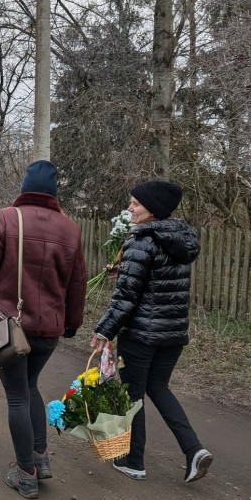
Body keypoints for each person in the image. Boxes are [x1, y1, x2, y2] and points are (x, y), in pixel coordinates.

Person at [0, 160, 87, 500]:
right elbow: (77, 284)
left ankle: (25, 474)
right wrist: (73, 323)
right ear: (54, 193)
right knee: (31, 385)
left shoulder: (8, 218)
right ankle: (40, 457)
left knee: (18, 397)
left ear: (24, 187)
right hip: (49, 329)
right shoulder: (71, 229)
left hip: (11, 326)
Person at [90, 180, 213, 484]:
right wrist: (126, 272)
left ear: (152, 209)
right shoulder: (179, 240)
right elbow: (156, 280)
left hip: (141, 335)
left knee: (134, 395)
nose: (129, 208)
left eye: (135, 203)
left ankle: (134, 461)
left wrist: (104, 331)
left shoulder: (141, 240)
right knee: (158, 388)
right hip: (173, 334)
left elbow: (126, 299)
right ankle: (194, 450)